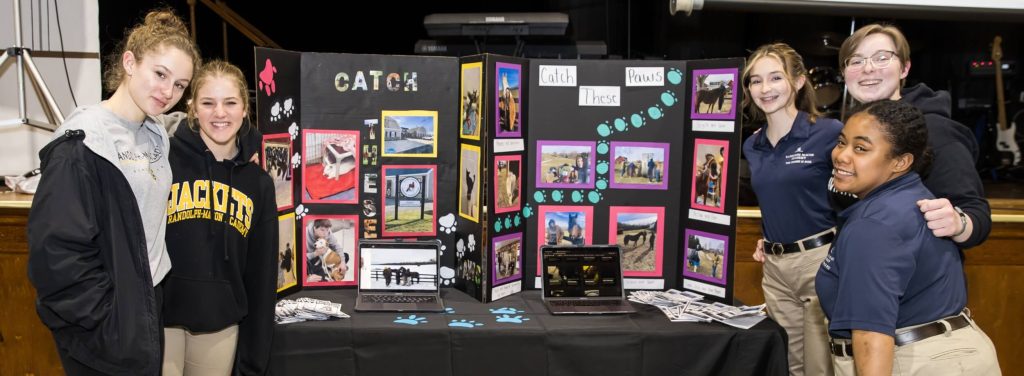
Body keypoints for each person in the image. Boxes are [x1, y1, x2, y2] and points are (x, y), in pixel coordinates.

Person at [26, 9, 199, 375]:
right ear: (129, 62)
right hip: (104, 326)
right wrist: (107, 320)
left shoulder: (154, 134)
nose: (168, 92)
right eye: (160, 74)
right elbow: (56, 255)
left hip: (144, 309)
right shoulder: (81, 145)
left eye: (180, 84)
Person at [816, 100, 1000, 375]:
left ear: (901, 162)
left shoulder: (873, 226)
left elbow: (870, 335)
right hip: (959, 352)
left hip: (916, 362)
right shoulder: (915, 195)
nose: (842, 155)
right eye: (842, 142)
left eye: (861, 148)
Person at [161, 60, 278, 375]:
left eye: (230, 102)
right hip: (161, 319)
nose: (220, 113)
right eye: (208, 103)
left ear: (244, 109)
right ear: (193, 109)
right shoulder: (162, 162)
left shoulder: (259, 183)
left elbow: (262, 273)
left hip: (220, 326)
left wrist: (255, 356)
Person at [837, 23, 990, 248]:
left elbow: (977, 215)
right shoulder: (851, 130)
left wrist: (958, 223)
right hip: (858, 263)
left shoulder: (935, 130)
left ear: (905, 68)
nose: (868, 69)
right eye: (856, 61)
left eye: (881, 57)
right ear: (844, 73)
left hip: (910, 275)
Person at [741, 43, 843, 376]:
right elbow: (777, 198)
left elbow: (855, 195)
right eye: (755, 81)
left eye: (775, 78)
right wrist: (766, 236)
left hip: (819, 261)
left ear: (798, 82)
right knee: (787, 363)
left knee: (821, 366)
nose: (764, 89)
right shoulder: (751, 145)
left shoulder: (827, 133)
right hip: (774, 267)